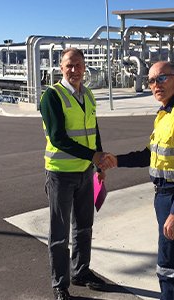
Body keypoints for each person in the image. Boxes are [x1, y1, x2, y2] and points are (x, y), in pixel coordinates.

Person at [101, 61, 174, 300]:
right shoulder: (164, 113)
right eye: (151, 80)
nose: (155, 85)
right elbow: (149, 154)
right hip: (164, 196)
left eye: (162, 78)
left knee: (169, 268)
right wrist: (116, 160)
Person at [40, 48, 111, 300]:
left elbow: (94, 129)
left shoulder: (88, 94)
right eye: (69, 65)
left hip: (85, 172)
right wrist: (92, 156)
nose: (74, 70)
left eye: (78, 65)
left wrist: (99, 161)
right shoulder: (52, 96)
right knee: (59, 234)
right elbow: (58, 138)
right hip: (61, 174)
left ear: (84, 68)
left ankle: (81, 271)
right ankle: (60, 284)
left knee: (84, 227)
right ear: (61, 67)